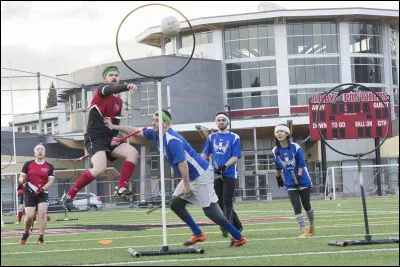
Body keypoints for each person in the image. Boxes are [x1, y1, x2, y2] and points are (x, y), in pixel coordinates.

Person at [105, 110, 247, 247]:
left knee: (211, 212)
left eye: (156, 121)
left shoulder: (173, 140)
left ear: (166, 123)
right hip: (191, 176)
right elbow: (135, 130)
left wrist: (186, 186)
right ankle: (198, 234)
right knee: (175, 205)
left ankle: (238, 237)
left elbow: (183, 164)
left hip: (201, 175)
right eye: (153, 120)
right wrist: (114, 127)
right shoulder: (156, 134)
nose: (153, 123)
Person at [62, 65, 139, 210]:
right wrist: (126, 86)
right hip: (95, 136)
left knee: (132, 152)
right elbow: (110, 89)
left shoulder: (119, 102)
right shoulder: (101, 91)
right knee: (100, 167)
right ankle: (69, 196)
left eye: (116, 75)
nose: (114, 77)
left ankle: (121, 188)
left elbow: (115, 122)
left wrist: (115, 137)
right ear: (105, 79)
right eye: (111, 75)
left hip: (108, 138)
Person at [201, 112, 243, 238]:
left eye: (223, 120)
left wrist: (224, 167)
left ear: (227, 122)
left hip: (229, 173)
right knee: (220, 201)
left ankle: (227, 226)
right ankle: (238, 226)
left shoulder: (234, 137)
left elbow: (236, 157)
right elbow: (205, 154)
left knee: (227, 201)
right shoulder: (211, 137)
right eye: (218, 120)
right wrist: (201, 167)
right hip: (216, 175)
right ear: (216, 122)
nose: (220, 122)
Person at [272, 124, 315, 238]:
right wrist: (278, 177)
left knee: (306, 204)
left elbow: (301, 163)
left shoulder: (295, 147)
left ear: (287, 134)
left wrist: (299, 176)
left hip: (303, 179)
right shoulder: (275, 150)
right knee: (296, 205)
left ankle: (312, 225)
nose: (279, 134)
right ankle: (303, 230)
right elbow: (278, 166)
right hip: (290, 181)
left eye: (281, 131)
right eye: (277, 132)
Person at [18, 144, 55, 245]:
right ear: (34, 152)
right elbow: (20, 178)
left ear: (44, 152)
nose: (40, 151)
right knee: (29, 216)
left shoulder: (49, 166)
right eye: (38, 149)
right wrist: (23, 180)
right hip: (29, 192)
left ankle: (41, 237)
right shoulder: (28, 164)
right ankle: (26, 233)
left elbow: (50, 181)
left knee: (42, 214)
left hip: (42, 192)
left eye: (42, 149)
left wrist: (43, 188)